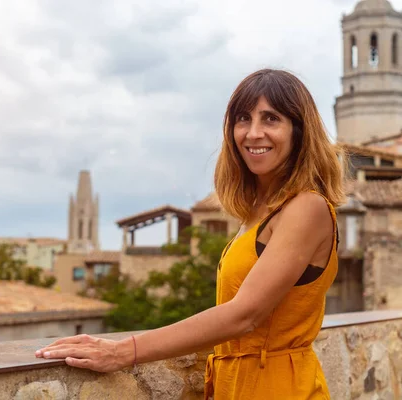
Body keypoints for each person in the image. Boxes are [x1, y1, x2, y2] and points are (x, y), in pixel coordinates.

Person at [35, 68, 345, 399]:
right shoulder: (260, 211)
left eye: (271, 119)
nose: (253, 133)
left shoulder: (306, 207)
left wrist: (123, 351)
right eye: (243, 119)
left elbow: (246, 314)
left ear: (299, 131)